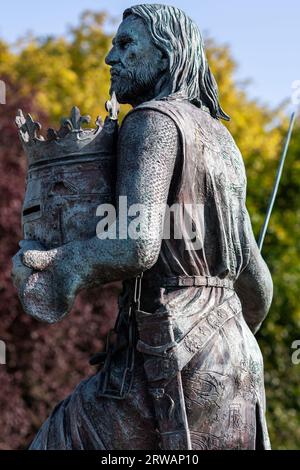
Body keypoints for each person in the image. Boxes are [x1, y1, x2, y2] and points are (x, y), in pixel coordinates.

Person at [12, 4, 273, 450]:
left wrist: (55, 266)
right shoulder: (223, 140)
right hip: (238, 363)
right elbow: (256, 278)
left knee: (57, 440)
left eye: (126, 44)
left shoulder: (151, 121)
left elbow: (137, 242)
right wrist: (233, 340)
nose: (110, 58)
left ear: (167, 54)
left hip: (170, 353)